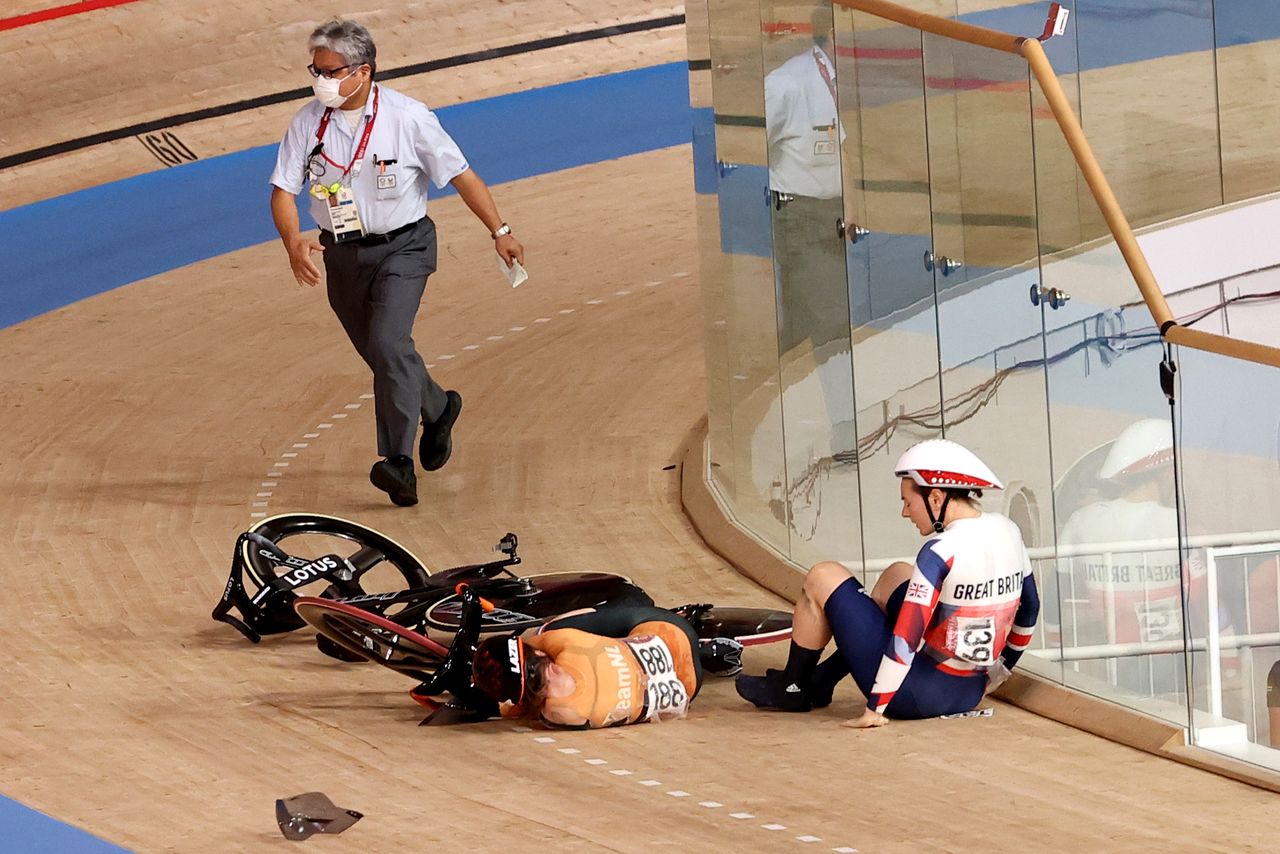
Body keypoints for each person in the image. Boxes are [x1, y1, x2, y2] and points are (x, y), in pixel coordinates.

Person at [268, 19, 525, 507]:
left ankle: (398, 462)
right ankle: (439, 406)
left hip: (404, 247)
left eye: (330, 71)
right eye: (315, 70)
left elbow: (462, 175)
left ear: (362, 72)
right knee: (385, 356)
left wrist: (501, 231)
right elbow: (282, 191)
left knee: (388, 343)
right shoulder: (306, 123)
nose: (320, 80)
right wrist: (291, 242)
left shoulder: (408, 118)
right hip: (342, 254)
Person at [736, 439, 1040, 727]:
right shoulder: (1008, 529)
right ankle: (823, 679)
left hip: (915, 696)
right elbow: (1030, 608)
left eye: (908, 502)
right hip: (969, 690)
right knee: (896, 574)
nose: (905, 512)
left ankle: (792, 686)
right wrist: (999, 672)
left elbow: (907, 636)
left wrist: (876, 709)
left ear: (936, 498)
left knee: (822, 576)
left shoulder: (940, 550)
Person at [472, 605, 705, 728]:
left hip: (689, 687)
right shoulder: (566, 643)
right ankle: (629, 598)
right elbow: (531, 646)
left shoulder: (559, 713)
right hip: (674, 632)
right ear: (540, 653)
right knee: (548, 628)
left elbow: (519, 707)